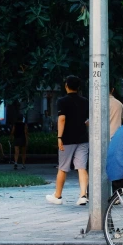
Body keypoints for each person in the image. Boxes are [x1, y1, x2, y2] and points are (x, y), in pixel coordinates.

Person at [46, 75, 89, 206]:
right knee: (81, 167)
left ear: (66, 86)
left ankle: (58, 196)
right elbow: (87, 120)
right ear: (79, 87)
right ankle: (83, 195)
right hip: (82, 138)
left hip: (67, 139)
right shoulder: (85, 101)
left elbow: (62, 119)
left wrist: (59, 137)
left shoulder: (62, 101)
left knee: (63, 168)